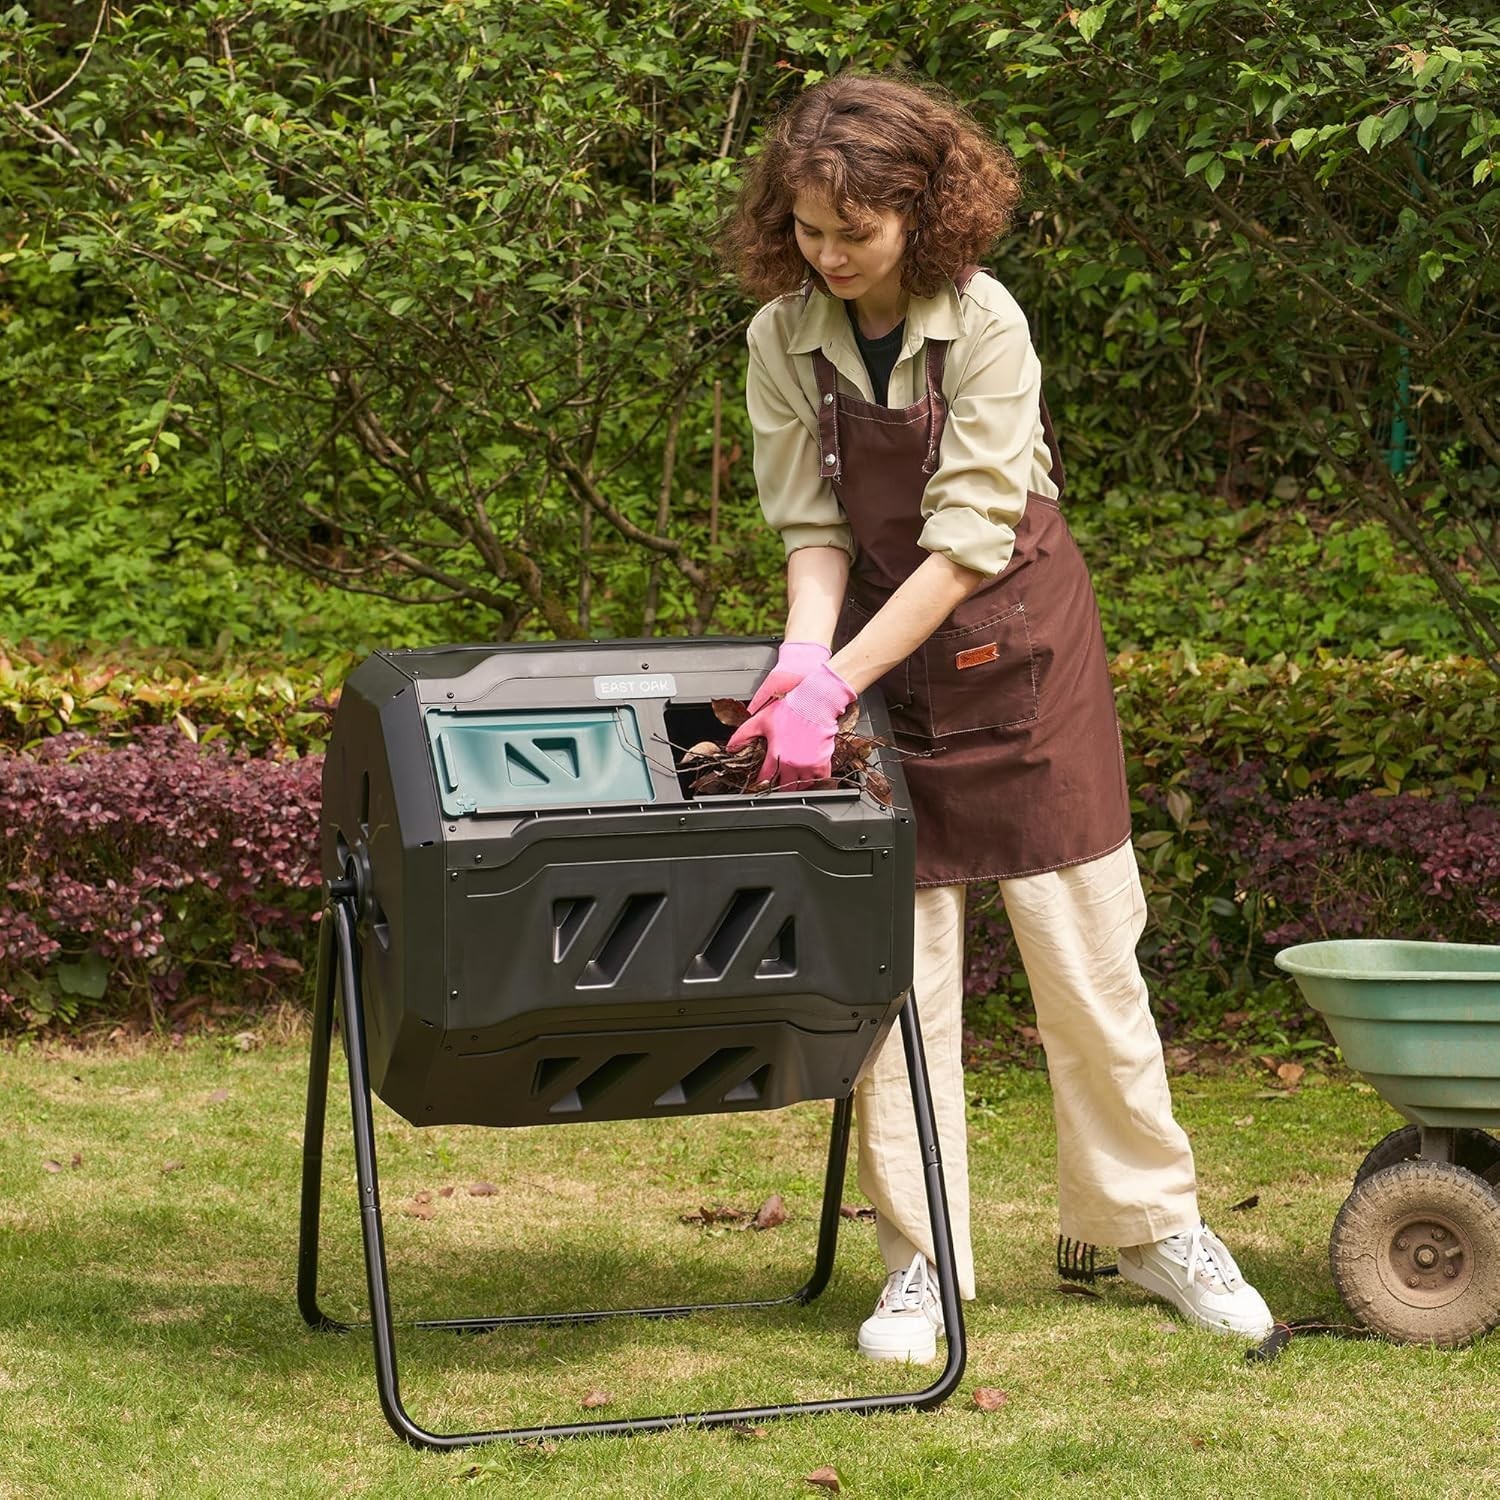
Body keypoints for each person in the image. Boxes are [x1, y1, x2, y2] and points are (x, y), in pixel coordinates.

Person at [720, 72, 1274, 1363]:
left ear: (922, 212)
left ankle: (1150, 1231)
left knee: (1088, 964)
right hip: (876, 652)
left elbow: (969, 541)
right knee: (894, 978)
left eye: (854, 233)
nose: (828, 254)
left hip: (1020, 651)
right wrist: (806, 670)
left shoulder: (987, 325)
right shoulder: (780, 341)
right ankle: (926, 1262)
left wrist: (835, 677)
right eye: (807, 228)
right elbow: (813, 530)